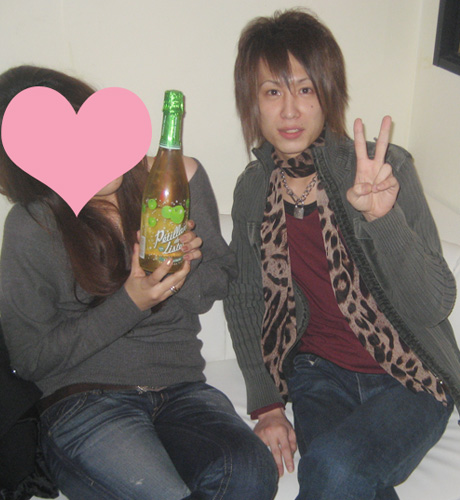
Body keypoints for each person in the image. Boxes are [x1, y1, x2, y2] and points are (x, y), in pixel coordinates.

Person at [0, 65, 278, 500]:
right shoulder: (32, 225)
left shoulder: (176, 178)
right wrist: (132, 301)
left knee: (251, 473)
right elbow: (31, 358)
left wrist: (183, 267)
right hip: (85, 401)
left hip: (183, 389)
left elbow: (217, 284)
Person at [224, 8, 460, 500]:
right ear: (253, 103)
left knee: (331, 468)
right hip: (318, 374)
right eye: (273, 92)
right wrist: (267, 404)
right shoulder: (253, 191)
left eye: (305, 89)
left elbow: (435, 304)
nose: (290, 111)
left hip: (409, 376)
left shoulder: (383, 169)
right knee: (339, 475)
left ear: (327, 93)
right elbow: (244, 297)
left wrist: (382, 219)